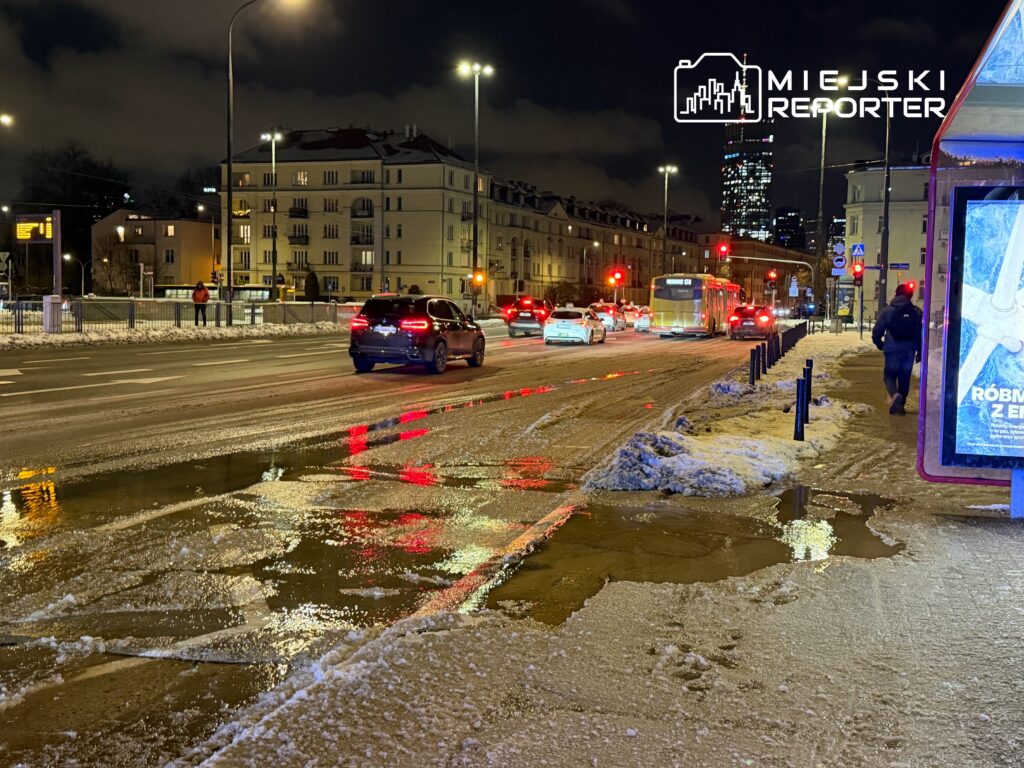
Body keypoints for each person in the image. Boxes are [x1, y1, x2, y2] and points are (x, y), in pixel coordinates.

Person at [872, 283, 923, 415]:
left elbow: (878, 330)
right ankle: (901, 404)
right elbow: (920, 333)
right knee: (904, 376)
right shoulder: (916, 312)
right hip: (909, 350)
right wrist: (920, 351)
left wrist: (879, 343)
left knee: (889, 375)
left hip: (892, 349)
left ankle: (894, 395)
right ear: (910, 296)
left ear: (896, 294)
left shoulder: (887, 311)